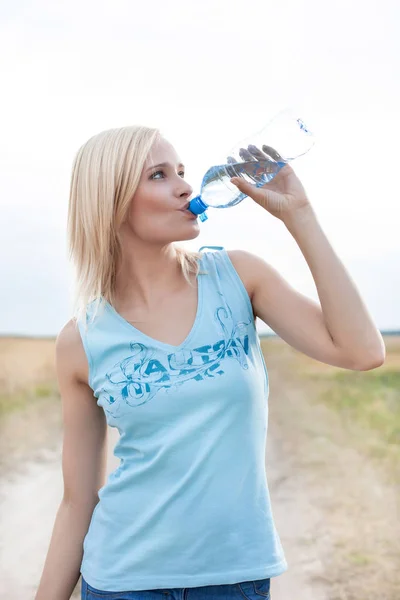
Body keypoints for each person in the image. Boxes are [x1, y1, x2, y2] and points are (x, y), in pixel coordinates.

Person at [34, 125, 385, 600]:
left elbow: (362, 351)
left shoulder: (237, 276)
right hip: (122, 581)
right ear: (110, 201)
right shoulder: (81, 340)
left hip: (234, 579)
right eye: (159, 175)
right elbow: (78, 502)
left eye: (182, 171)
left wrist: (299, 216)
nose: (185, 185)